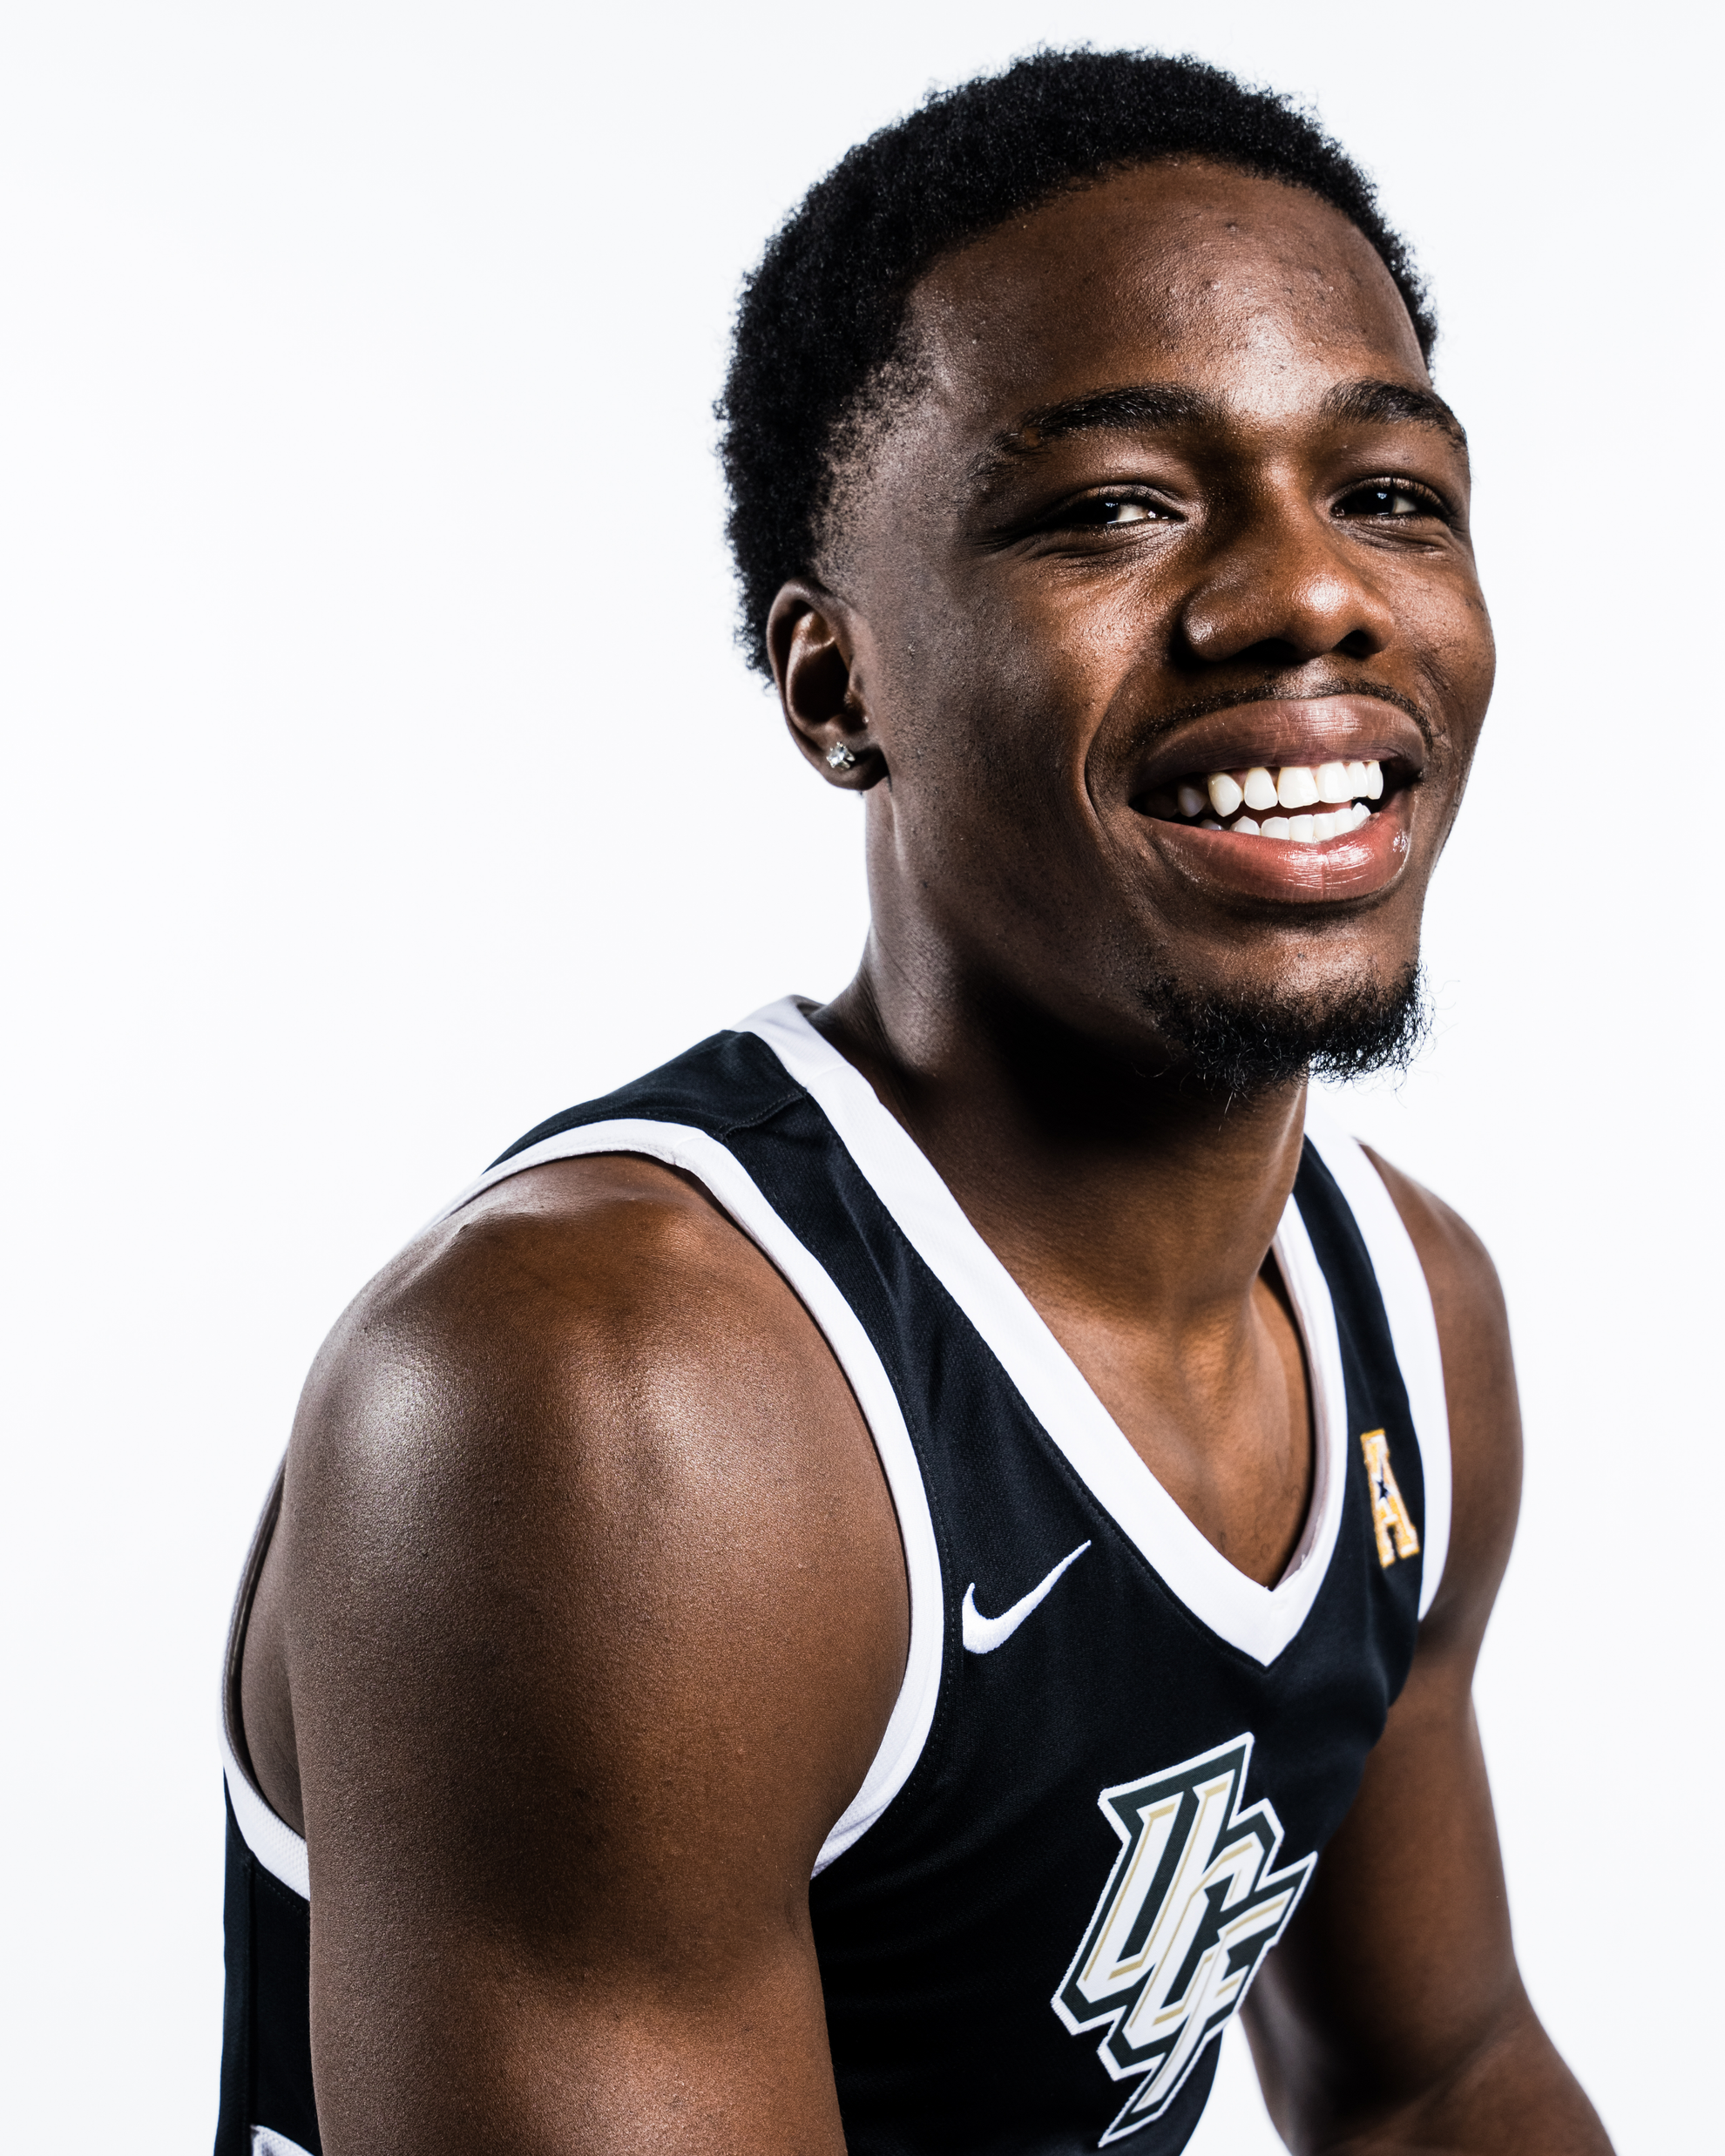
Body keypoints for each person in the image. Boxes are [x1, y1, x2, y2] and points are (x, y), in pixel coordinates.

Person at [215, 49, 1611, 2156]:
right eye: (1115, 507)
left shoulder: (1414, 1322)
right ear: (833, 684)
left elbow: (1434, 2083)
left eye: (1391, 494)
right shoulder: (616, 1409)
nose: (1313, 593)